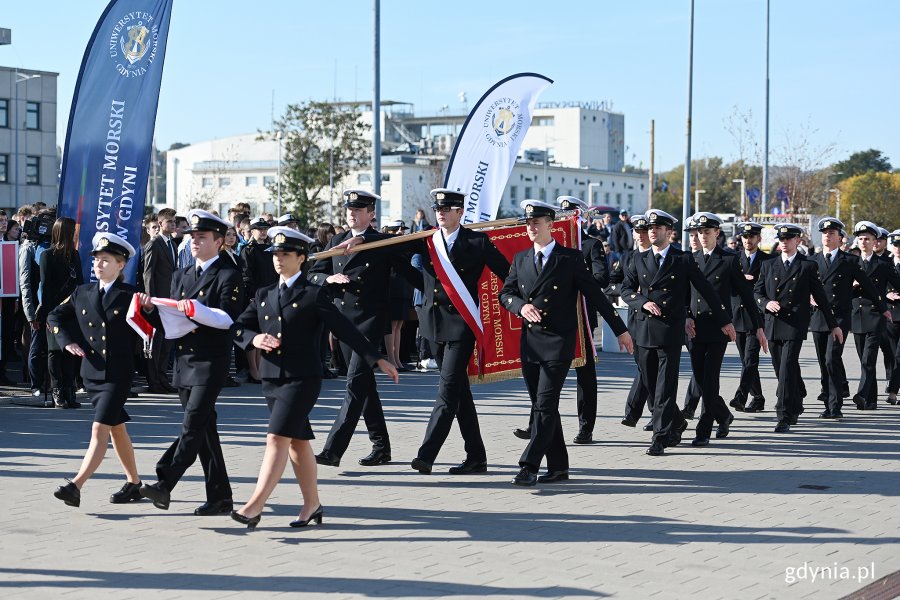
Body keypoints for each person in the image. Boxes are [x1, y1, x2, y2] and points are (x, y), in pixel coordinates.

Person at [229, 227, 399, 529]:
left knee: (276, 437)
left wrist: (378, 358)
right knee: (297, 442)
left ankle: (255, 505)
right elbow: (239, 326)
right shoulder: (264, 293)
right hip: (272, 378)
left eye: (286, 254)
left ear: (301, 258)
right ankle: (312, 505)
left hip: (302, 378)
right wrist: (253, 340)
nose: (278, 260)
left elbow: (344, 328)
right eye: (276, 255)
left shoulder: (312, 292)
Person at [500, 201, 632, 486]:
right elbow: (506, 294)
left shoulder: (569, 258)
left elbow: (596, 296)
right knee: (541, 405)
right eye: (528, 223)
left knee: (545, 404)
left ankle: (529, 465)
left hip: (559, 341)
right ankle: (559, 467)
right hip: (531, 343)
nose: (531, 228)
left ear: (551, 225)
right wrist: (520, 307)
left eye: (537, 222)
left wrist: (620, 330)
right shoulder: (521, 258)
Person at [139, 210, 244, 515]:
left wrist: (196, 310)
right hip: (184, 361)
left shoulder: (228, 273)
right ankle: (221, 497)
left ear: (219, 241)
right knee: (205, 431)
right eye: (193, 237)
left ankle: (164, 481)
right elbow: (169, 321)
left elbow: (227, 319)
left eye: (202, 237)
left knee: (193, 425)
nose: (195, 242)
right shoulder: (181, 275)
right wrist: (149, 311)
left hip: (211, 362)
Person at [308, 190, 417, 468]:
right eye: (349, 209)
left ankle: (332, 450)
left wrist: (365, 239)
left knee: (354, 384)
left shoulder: (379, 241)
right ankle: (381, 447)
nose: (352, 214)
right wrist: (328, 277)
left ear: (371, 215)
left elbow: (402, 244)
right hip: (343, 322)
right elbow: (312, 271)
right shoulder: (336, 240)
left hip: (368, 322)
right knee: (365, 386)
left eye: (359, 209)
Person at [406, 189, 510, 475]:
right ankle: (476, 456)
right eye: (438, 208)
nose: (440, 212)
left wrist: (523, 300)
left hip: (462, 326)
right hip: (432, 325)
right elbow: (403, 266)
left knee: (448, 390)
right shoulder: (425, 241)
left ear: (460, 212)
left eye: (447, 208)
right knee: (460, 392)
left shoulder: (477, 241)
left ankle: (426, 455)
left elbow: (507, 272)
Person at [621, 209, 735, 456]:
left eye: (658, 228)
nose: (652, 231)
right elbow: (626, 289)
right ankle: (678, 422)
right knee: (651, 387)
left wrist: (725, 320)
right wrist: (641, 302)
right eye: (650, 228)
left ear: (669, 232)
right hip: (643, 330)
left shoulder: (682, 259)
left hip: (670, 331)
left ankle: (660, 437)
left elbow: (706, 290)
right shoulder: (638, 259)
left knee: (665, 388)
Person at [49, 233, 147, 507]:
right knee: (116, 429)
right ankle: (134, 484)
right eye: (97, 260)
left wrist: (148, 309)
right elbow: (54, 315)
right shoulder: (83, 292)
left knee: (99, 430)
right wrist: (66, 342)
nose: (99, 265)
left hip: (117, 374)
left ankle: (75, 485)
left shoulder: (131, 295)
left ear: (121, 265)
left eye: (106, 260)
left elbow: (152, 324)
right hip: (91, 373)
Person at [511, 195, 611, 444]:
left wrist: (574, 284)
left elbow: (600, 280)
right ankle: (537, 424)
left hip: (582, 318)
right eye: (565, 214)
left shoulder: (588, 246)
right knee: (543, 384)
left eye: (572, 214)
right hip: (548, 324)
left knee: (584, 374)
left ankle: (585, 426)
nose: (569, 219)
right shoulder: (542, 248)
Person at [685, 213, 766, 447]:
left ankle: (703, 430)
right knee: (700, 381)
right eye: (700, 232)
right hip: (694, 329)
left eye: (707, 232)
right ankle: (724, 415)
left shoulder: (728, 260)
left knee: (710, 382)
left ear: (717, 234)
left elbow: (747, 295)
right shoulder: (691, 259)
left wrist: (758, 326)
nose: (703, 236)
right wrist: (686, 316)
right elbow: (684, 295)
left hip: (718, 329)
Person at [754, 223, 842, 433]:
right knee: (781, 369)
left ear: (798, 241)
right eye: (781, 239)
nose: (784, 242)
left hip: (794, 324)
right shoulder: (769, 265)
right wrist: (765, 303)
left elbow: (820, 297)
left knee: (786, 368)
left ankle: (783, 414)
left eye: (789, 239)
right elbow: (756, 292)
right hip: (773, 324)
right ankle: (795, 402)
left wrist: (833, 325)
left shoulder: (807, 265)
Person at [811, 218, 885, 418]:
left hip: (840, 318)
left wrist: (883, 307)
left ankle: (836, 406)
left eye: (832, 233)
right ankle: (828, 401)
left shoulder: (849, 261)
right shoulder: (813, 260)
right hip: (818, 318)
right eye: (825, 233)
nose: (827, 236)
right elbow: (803, 285)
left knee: (831, 359)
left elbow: (868, 286)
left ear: (841, 238)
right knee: (822, 362)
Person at [849, 221, 900, 410]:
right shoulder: (850, 262)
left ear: (874, 241)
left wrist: (886, 295)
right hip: (857, 315)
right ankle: (870, 400)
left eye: (867, 239)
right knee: (864, 357)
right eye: (860, 239)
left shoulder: (883, 265)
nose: (863, 242)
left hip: (876, 315)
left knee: (868, 359)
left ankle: (861, 393)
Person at [37, 217, 84, 409]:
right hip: (55, 311)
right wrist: (48, 314)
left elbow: (80, 284)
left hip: (71, 311)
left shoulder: (74, 255)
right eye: (73, 230)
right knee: (54, 351)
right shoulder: (47, 255)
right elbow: (46, 288)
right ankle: (57, 390)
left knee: (70, 351)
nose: (75, 233)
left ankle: (68, 389)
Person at [729, 223, 775, 413]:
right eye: (745, 237)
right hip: (738, 316)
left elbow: (771, 286)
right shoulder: (733, 259)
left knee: (750, 360)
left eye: (752, 237)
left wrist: (754, 281)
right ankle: (758, 397)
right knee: (745, 361)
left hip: (757, 317)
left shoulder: (768, 260)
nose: (748, 241)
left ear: (759, 239)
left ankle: (741, 396)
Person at [618, 214, 654, 427]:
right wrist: (634, 295)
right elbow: (612, 285)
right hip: (636, 318)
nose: (640, 236)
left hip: (658, 321)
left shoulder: (660, 256)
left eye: (643, 232)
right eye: (636, 232)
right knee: (643, 366)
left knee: (647, 368)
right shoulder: (627, 258)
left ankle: (638, 412)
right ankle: (653, 412)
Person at [143, 208, 178, 394]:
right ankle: (153, 380)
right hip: (157, 301)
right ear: (161, 223)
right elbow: (148, 273)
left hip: (170, 300)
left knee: (167, 341)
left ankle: (163, 377)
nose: (173, 225)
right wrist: (150, 300)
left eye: (174, 222)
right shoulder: (154, 244)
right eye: (169, 222)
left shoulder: (172, 244)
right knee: (156, 343)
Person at [242, 217, 278, 383]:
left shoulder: (271, 249)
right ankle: (253, 370)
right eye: (259, 229)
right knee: (255, 333)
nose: (263, 232)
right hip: (256, 296)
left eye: (265, 229)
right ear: (252, 231)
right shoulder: (248, 250)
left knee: (266, 331)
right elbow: (246, 275)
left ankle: (261, 367)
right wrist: (251, 296)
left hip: (271, 294)